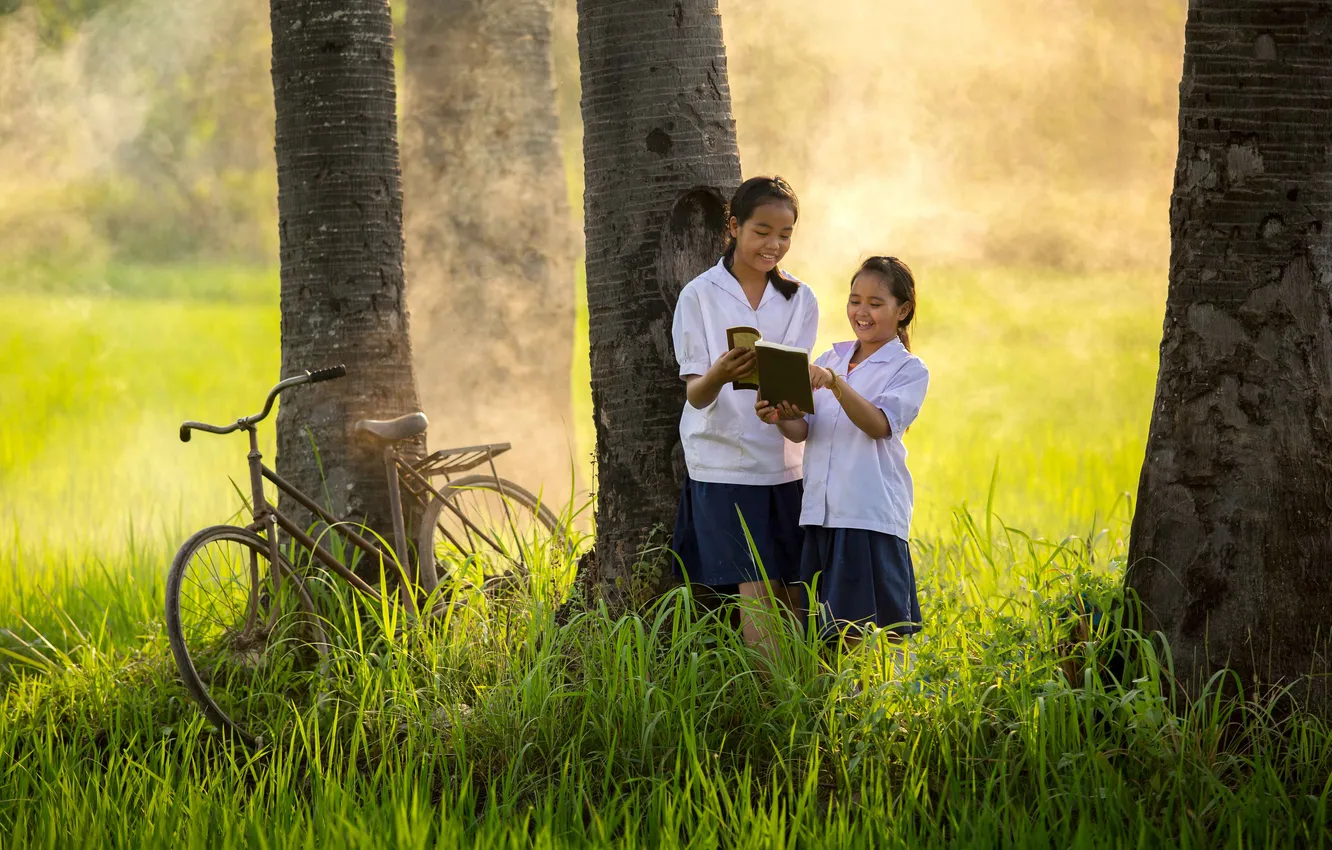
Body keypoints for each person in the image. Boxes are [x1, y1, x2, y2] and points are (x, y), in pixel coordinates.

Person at [671, 175, 820, 660]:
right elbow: (696, 394)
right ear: (733, 226)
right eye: (761, 231)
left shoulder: (801, 298)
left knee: (796, 593)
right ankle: (775, 707)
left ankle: (803, 697)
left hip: (785, 462)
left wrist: (783, 409)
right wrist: (720, 371)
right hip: (723, 462)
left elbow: (794, 385)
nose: (773, 245)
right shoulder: (700, 295)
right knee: (755, 592)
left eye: (785, 234)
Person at [756, 255, 928, 646]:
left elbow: (878, 424)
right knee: (823, 630)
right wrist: (779, 414)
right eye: (854, 300)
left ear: (903, 311)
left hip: (866, 514)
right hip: (820, 513)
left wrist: (835, 384)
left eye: (875, 303)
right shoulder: (828, 358)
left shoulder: (908, 369)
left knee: (872, 633)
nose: (861, 312)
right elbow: (802, 430)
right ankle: (828, 704)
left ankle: (881, 701)